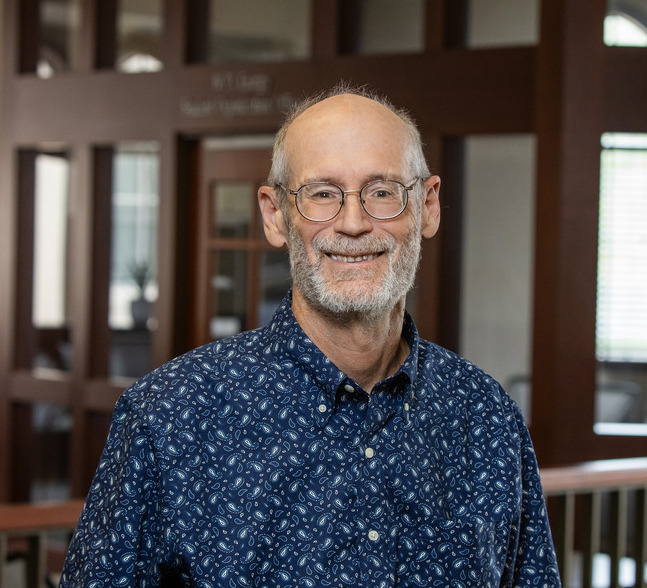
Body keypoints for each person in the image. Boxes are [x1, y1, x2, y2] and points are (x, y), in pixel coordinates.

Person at [60, 84, 561, 587]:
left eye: (382, 192)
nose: (353, 223)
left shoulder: (486, 417)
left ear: (428, 207)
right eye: (322, 194)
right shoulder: (171, 417)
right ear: (275, 215)